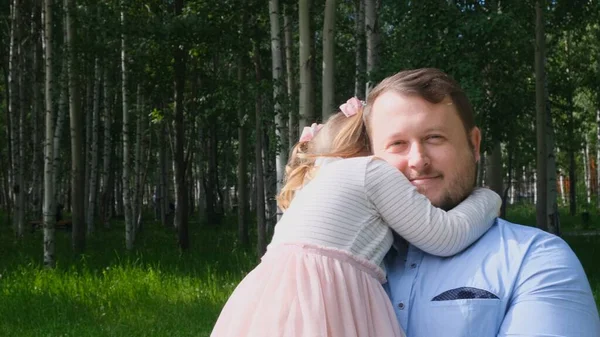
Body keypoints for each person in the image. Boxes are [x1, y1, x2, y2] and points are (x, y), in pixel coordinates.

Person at [211, 98, 502, 337]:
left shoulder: (315, 181)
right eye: (395, 144)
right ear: (371, 146)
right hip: (330, 300)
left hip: (268, 307)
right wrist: (488, 197)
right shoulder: (370, 170)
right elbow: (444, 236)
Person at [364, 68, 600, 336]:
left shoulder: (535, 259)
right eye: (397, 143)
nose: (418, 160)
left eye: (434, 138)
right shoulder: (335, 259)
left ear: (474, 145)